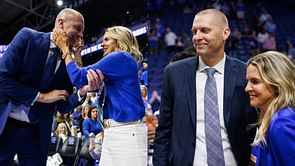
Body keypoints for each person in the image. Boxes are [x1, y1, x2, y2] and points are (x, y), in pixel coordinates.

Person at [153, 9, 258, 166]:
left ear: (225, 33)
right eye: (194, 31)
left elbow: (255, 125)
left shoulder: (244, 73)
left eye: (205, 30)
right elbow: (164, 132)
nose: (197, 37)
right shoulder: (174, 73)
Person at [0, 8, 101, 165]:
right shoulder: (28, 37)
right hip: (5, 125)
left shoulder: (69, 62)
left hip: (36, 132)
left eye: (83, 31)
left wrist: (82, 92)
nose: (81, 35)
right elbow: (2, 77)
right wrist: (40, 97)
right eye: (78, 29)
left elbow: (62, 106)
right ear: (61, 24)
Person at [55, 25, 147, 166]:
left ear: (119, 41)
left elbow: (78, 77)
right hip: (114, 132)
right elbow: (84, 82)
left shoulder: (120, 57)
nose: (102, 44)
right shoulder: (119, 65)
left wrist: (66, 51)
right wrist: (77, 54)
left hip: (126, 134)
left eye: (107, 39)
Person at [245, 51, 295, 166]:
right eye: (248, 81)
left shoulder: (282, 122)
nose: (247, 88)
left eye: (255, 82)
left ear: (277, 85)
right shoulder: (271, 118)